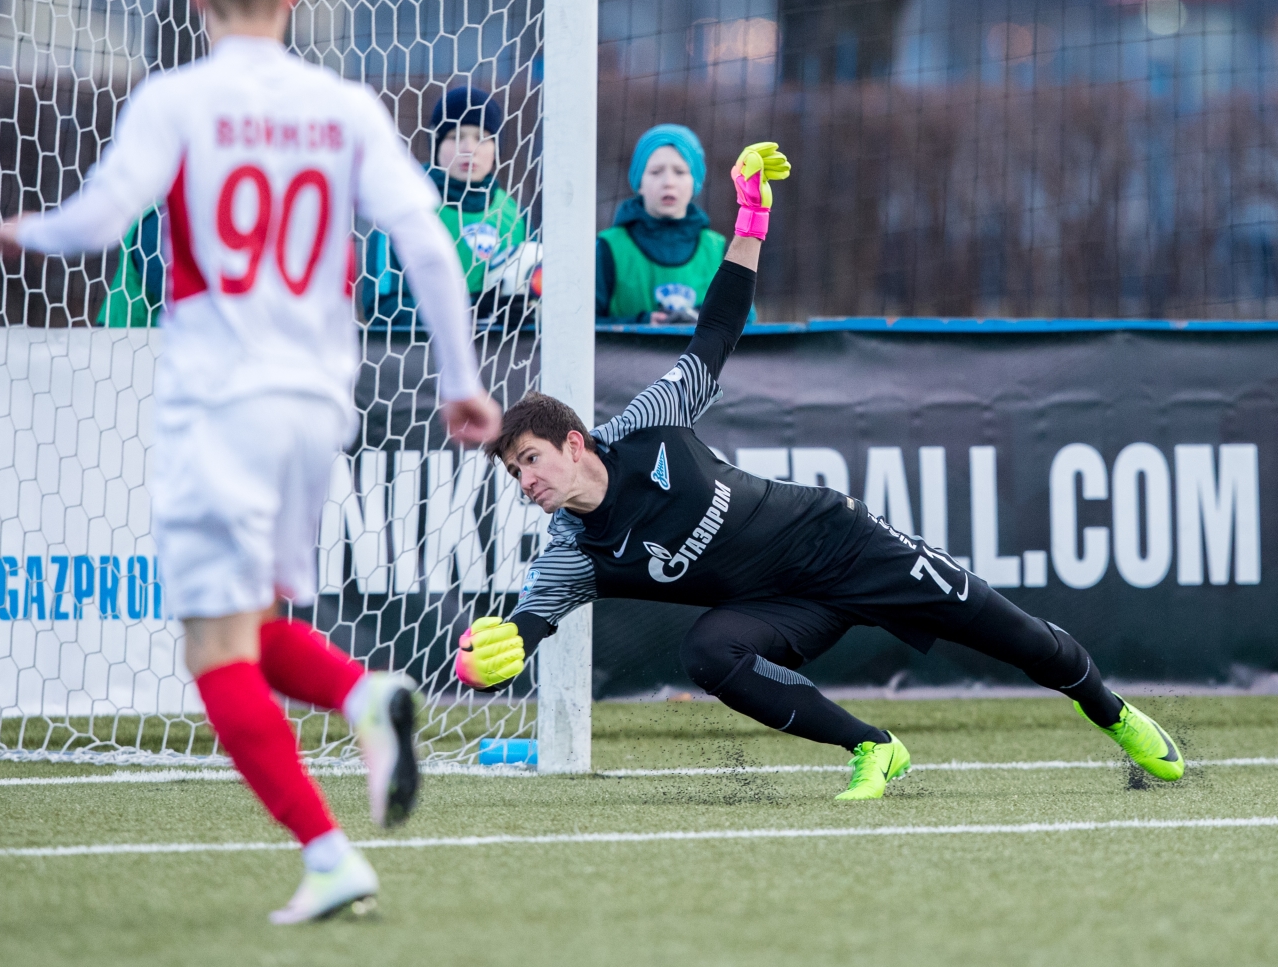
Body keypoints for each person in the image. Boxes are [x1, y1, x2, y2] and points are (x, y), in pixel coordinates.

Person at [0, 0, 502, 922]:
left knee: (210, 648)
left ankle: (325, 853)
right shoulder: (343, 105)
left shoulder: (178, 97)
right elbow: (431, 245)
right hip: (316, 402)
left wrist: (27, 231)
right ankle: (362, 695)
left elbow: (101, 217)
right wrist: (459, 379)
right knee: (249, 624)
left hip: (219, 399)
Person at [458, 140, 1185, 799]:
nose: (526, 481)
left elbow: (715, 333)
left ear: (575, 443)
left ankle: (1114, 714)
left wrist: (749, 220)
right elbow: (532, 620)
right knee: (708, 652)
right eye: (515, 472)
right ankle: (874, 747)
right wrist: (505, 646)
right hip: (783, 608)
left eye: (530, 460)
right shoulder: (572, 550)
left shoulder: (646, 426)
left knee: (1017, 636)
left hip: (839, 541)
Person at [361, 85, 533, 327]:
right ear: (436, 145)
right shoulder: (405, 207)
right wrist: (467, 314)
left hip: (502, 360)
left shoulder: (515, 215)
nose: (469, 149)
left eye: (482, 138)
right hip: (421, 359)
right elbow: (382, 308)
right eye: (455, 137)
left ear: (497, 149)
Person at [596, 123, 753, 327]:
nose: (668, 182)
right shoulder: (608, 248)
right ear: (639, 182)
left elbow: (746, 324)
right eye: (655, 172)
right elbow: (581, 327)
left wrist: (702, 319)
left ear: (694, 182)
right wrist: (641, 323)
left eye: (679, 172)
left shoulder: (716, 249)